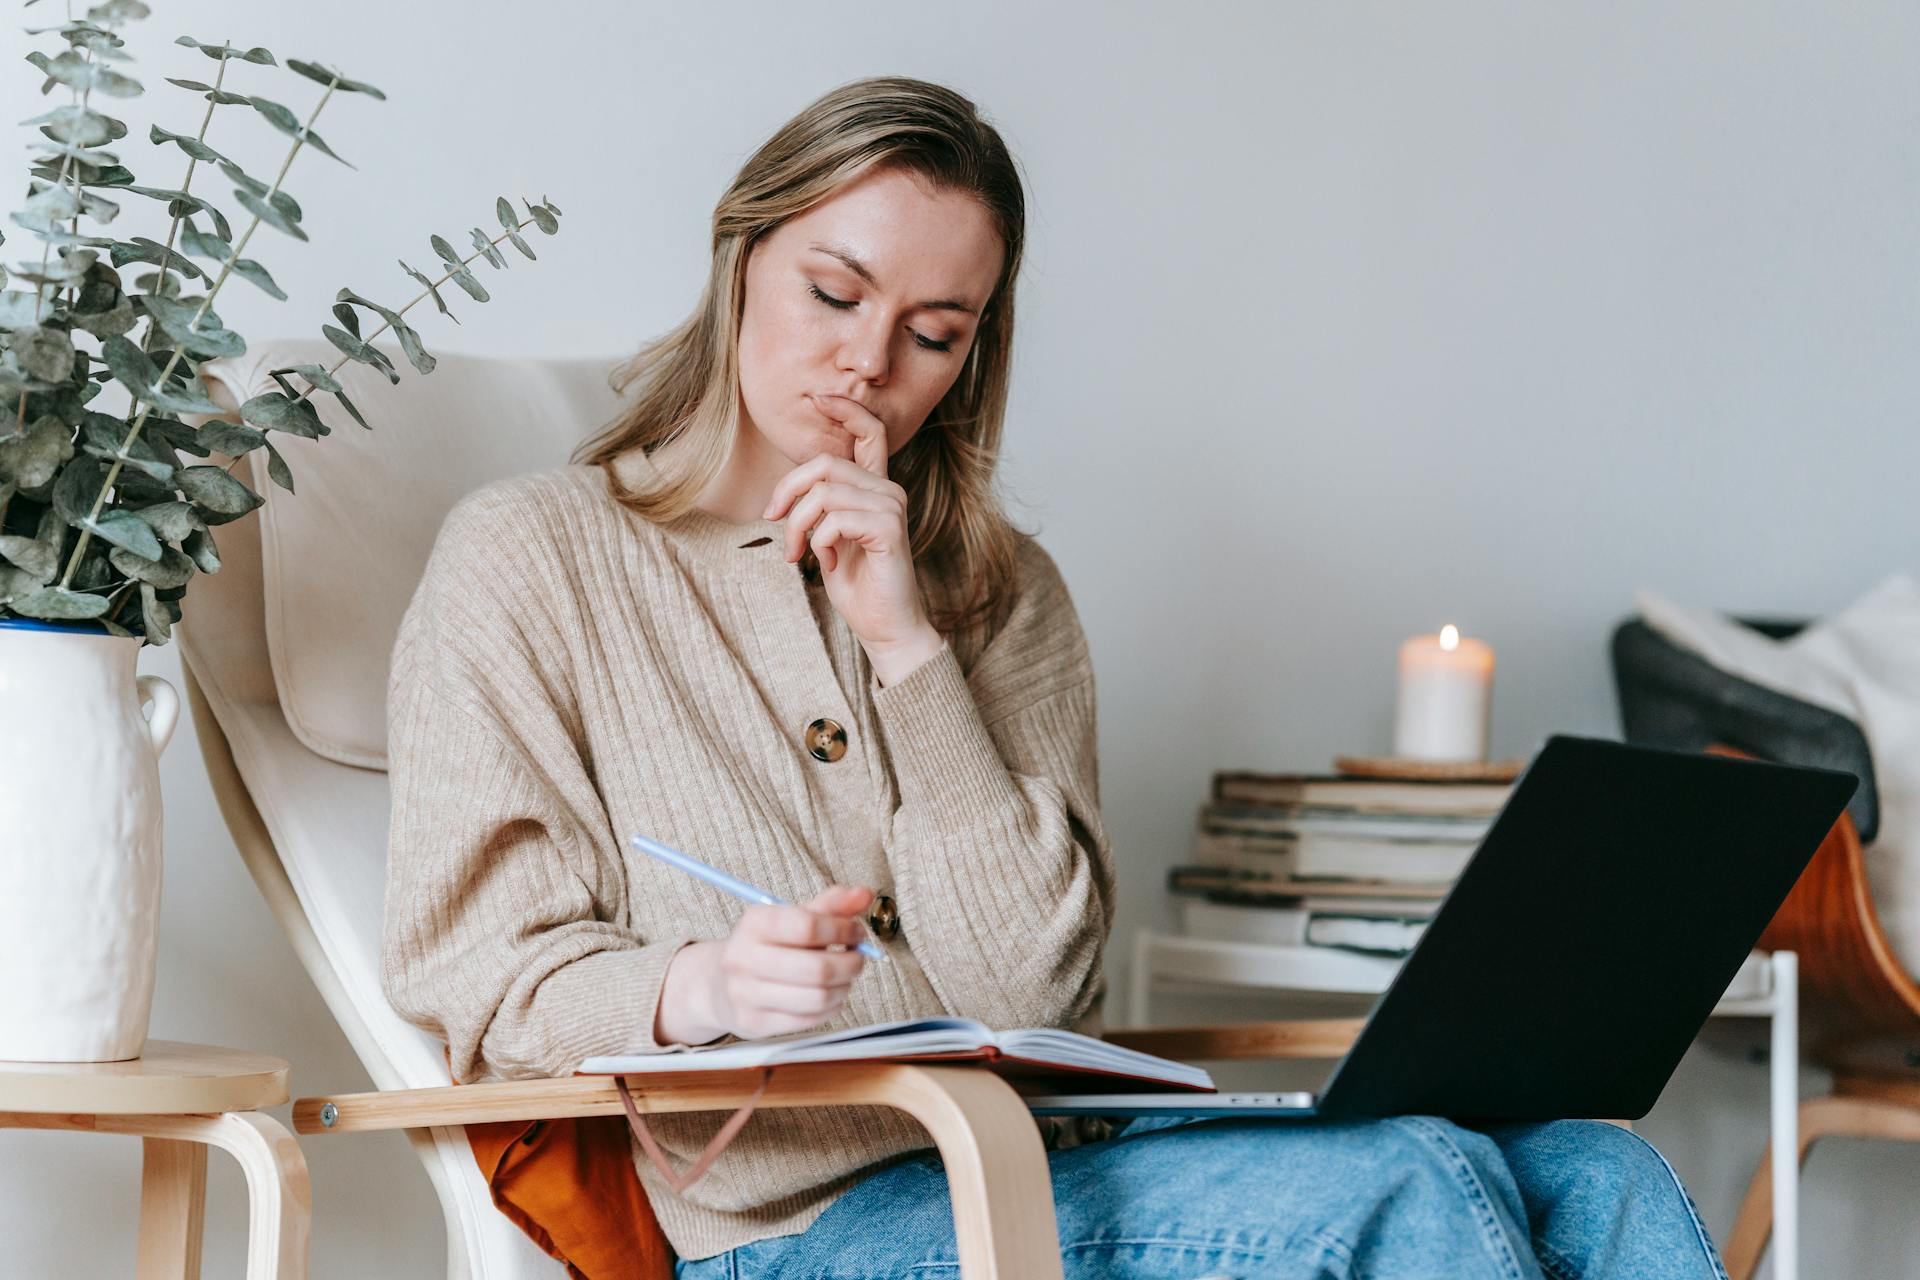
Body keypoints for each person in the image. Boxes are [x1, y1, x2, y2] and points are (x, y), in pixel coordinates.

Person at [380, 75, 1729, 1279]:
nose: (870, 361)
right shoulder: (536, 557)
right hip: (805, 1228)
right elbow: (482, 978)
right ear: (741, 258)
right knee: (1405, 1188)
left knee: (1597, 1174)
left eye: (936, 331)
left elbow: (1032, 987)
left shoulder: (997, 591)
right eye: (835, 294)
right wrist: (708, 989)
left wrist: (909, 646)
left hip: (1060, 1166)